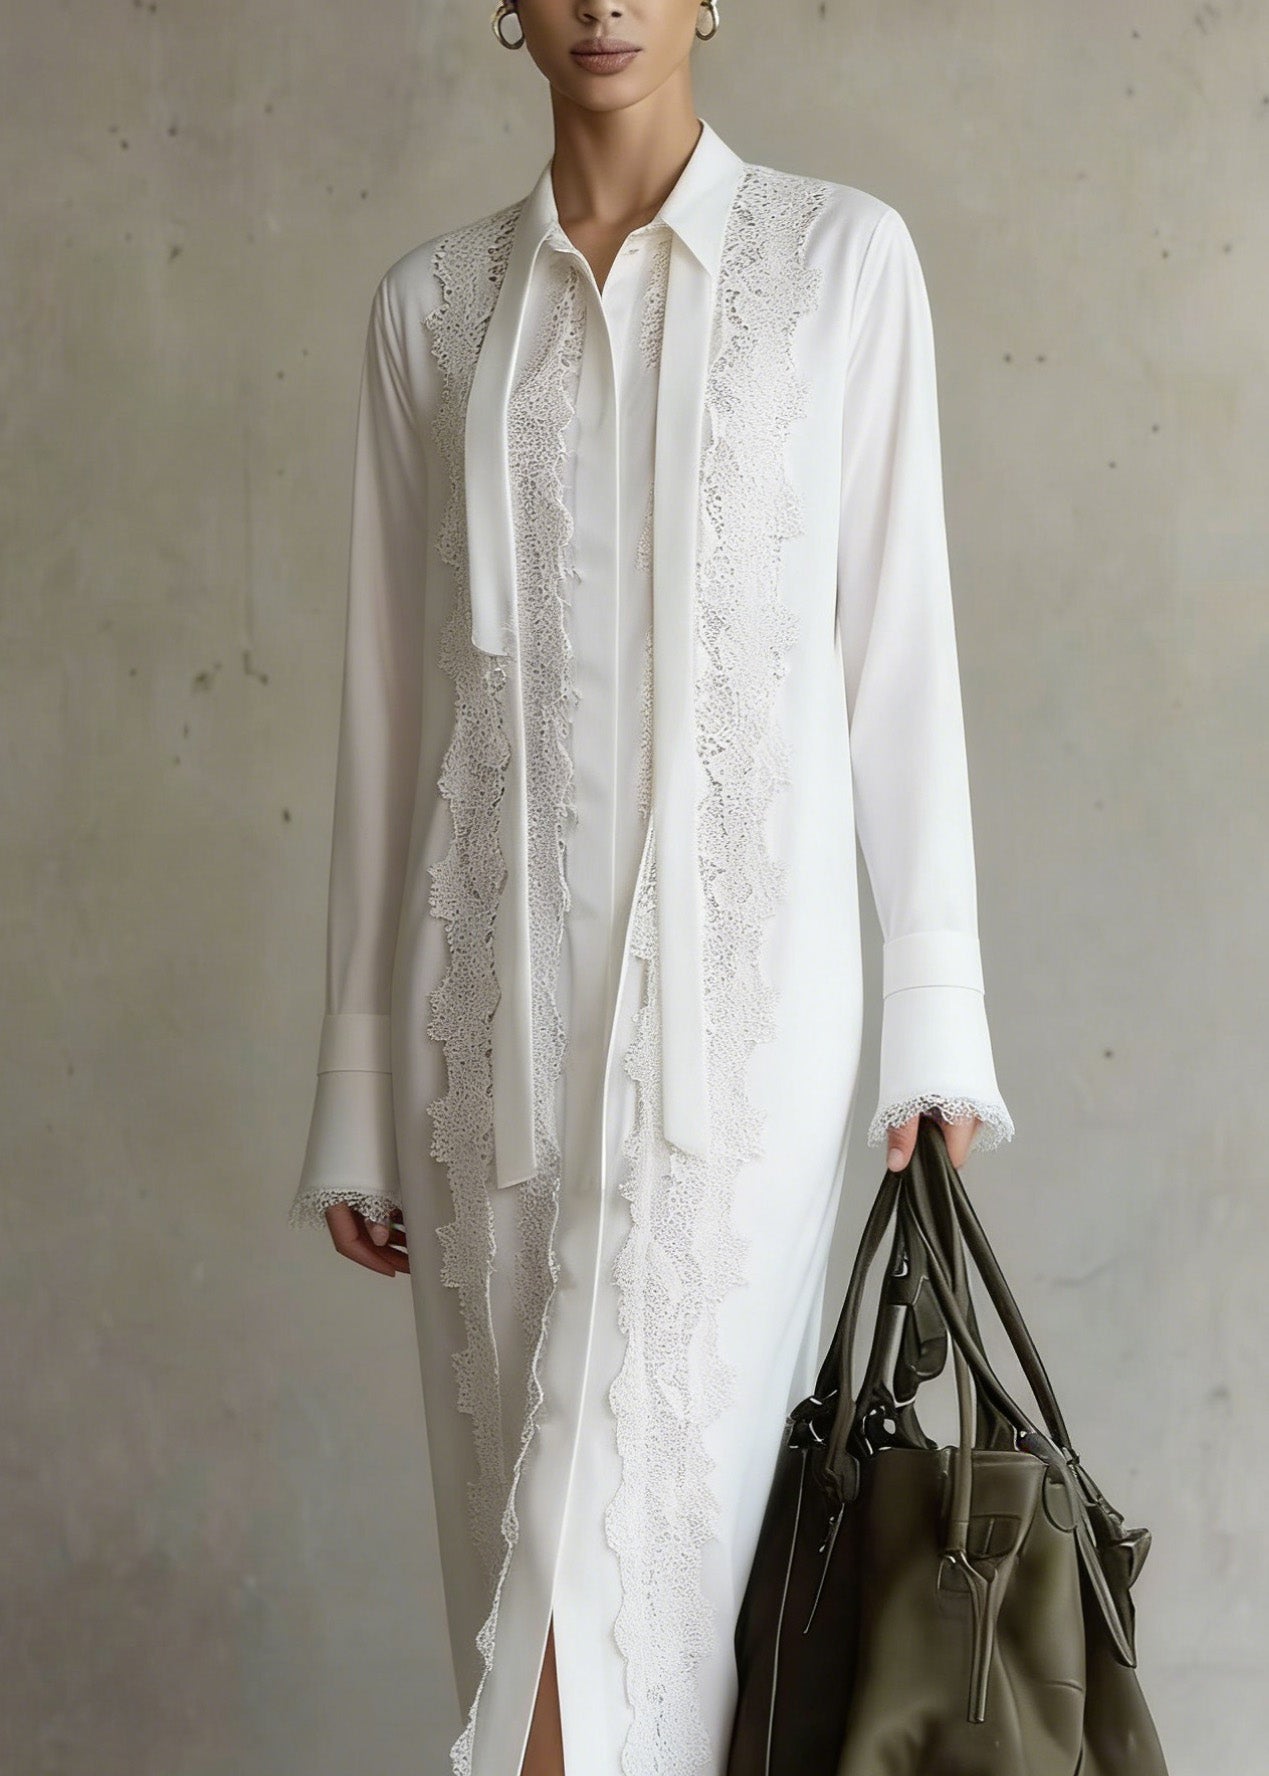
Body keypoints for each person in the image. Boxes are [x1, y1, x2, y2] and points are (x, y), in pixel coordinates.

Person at [288, 2, 1015, 1772]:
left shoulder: (838, 264)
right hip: (490, 1045)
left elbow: (897, 653)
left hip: (739, 1042)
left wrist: (932, 1014)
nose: (605, 5)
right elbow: (391, 716)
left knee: (651, 1592)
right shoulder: (431, 311)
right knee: (516, 1579)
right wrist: (364, 1092)